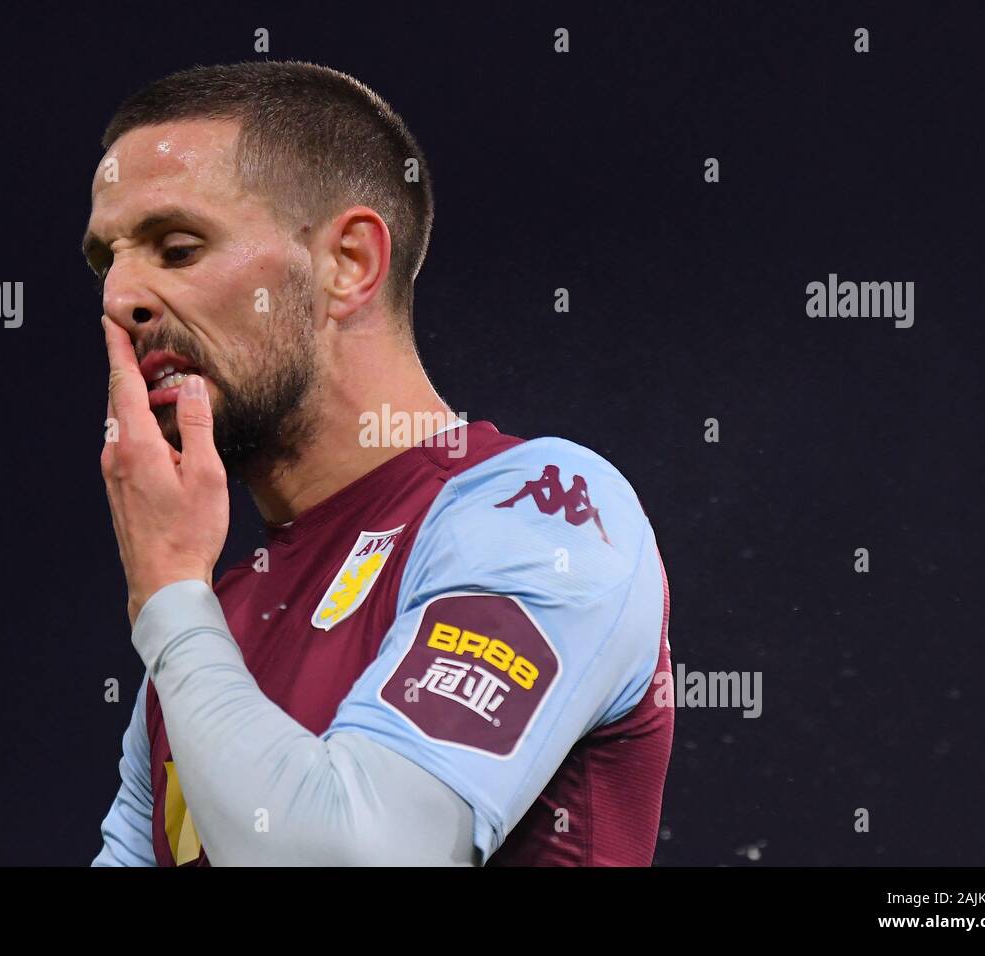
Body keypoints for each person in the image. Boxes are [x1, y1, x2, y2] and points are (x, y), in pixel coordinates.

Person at [85, 60, 673, 866]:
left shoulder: (544, 512)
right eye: (105, 263)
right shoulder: (204, 624)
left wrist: (168, 595)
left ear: (349, 264)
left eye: (177, 248)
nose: (120, 297)